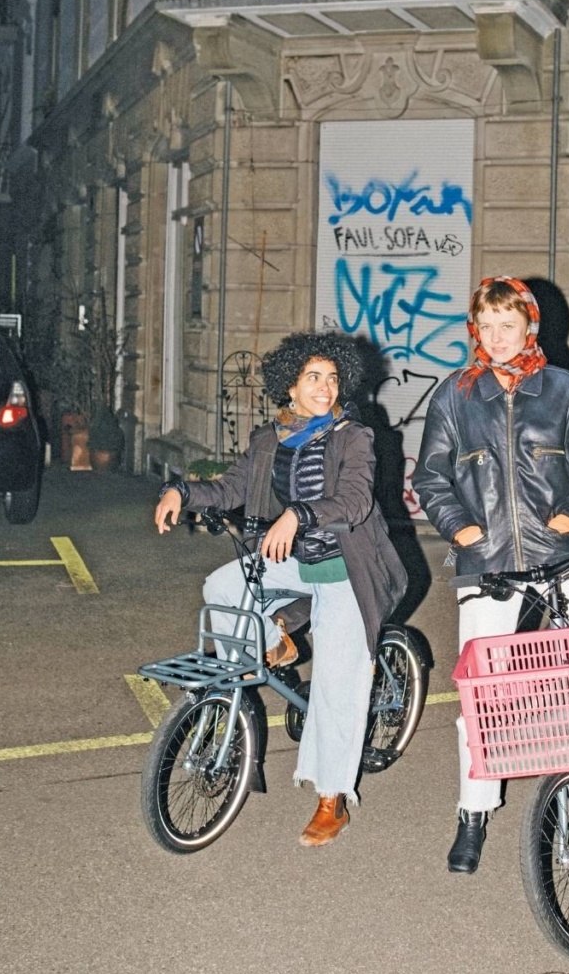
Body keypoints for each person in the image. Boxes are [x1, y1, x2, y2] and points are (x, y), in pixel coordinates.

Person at [412, 277, 569, 874]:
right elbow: (430, 478)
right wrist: (462, 529)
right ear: (475, 329)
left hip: (564, 552)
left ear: (530, 327)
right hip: (488, 564)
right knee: (483, 695)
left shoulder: (565, 389)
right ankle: (474, 810)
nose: (498, 338)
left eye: (509, 325)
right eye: (487, 326)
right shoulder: (456, 394)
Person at [154, 332, 407, 847]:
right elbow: (232, 488)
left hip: (346, 567)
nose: (325, 387)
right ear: (289, 387)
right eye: (313, 377)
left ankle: (333, 797)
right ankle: (271, 644)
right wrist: (182, 491)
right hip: (293, 560)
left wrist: (299, 513)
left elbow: (355, 500)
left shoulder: (353, 436)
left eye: (332, 378)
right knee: (220, 586)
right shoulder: (270, 439)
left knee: (337, 688)